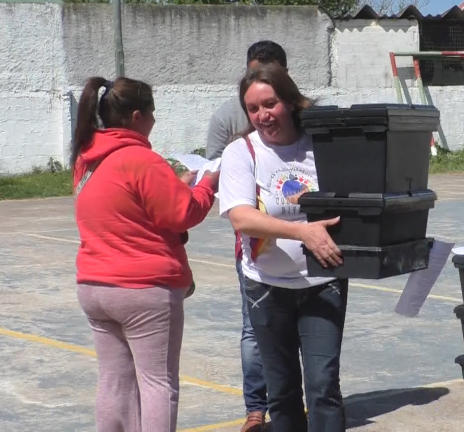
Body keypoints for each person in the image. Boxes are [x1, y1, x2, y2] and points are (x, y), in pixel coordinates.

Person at [72, 76, 219, 431]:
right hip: (143, 289)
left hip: (95, 286)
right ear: (137, 116)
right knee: (157, 384)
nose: (155, 121)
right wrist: (208, 184)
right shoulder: (141, 159)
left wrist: (179, 184)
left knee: (113, 381)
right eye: (153, 114)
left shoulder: (87, 159)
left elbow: (132, 205)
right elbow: (184, 214)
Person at [218, 63, 347, 432]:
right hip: (266, 286)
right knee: (283, 391)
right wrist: (303, 232)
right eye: (253, 109)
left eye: (269, 104)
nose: (262, 115)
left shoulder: (319, 145)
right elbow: (242, 218)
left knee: (323, 386)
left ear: (289, 101)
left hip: (323, 281)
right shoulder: (242, 153)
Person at [204, 39, 288, 432]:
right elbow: (214, 175)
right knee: (254, 328)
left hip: (304, 245)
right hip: (255, 242)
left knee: (300, 333)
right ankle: (256, 408)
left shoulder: (304, 115)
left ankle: (291, 402)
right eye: (253, 107)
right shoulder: (227, 118)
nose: (262, 115)